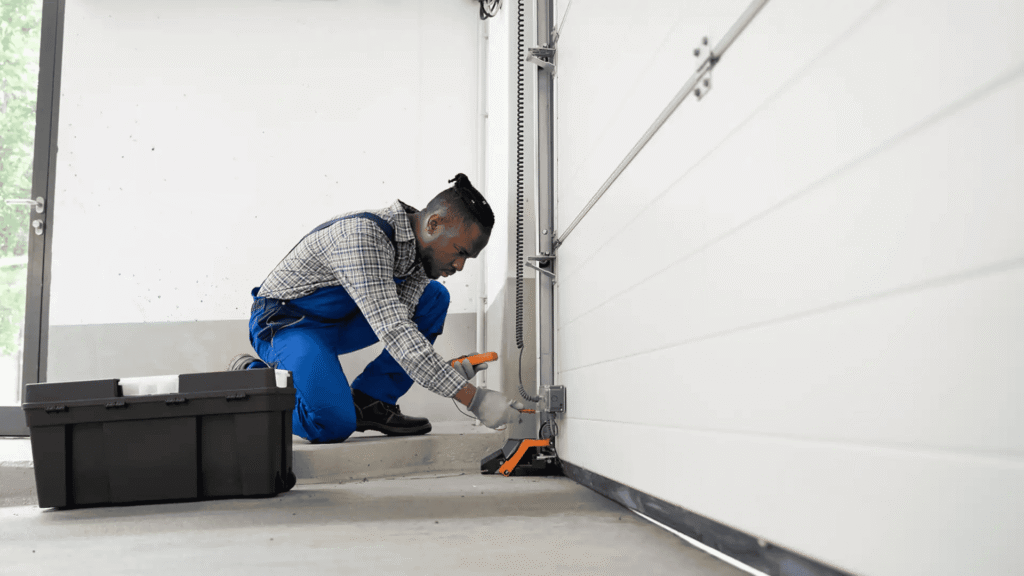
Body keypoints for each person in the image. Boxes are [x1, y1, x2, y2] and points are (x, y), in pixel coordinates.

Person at [229, 174, 522, 443]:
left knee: (433, 297)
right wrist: (474, 399)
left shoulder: (420, 256)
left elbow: (404, 328)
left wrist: (445, 372)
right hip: (287, 324)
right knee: (331, 424)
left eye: (467, 258)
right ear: (433, 224)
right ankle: (254, 380)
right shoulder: (364, 236)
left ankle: (371, 400)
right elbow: (395, 332)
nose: (459, 266)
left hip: (338, 323)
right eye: (460, 252)